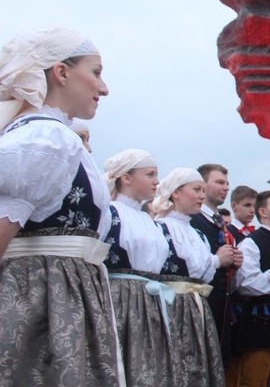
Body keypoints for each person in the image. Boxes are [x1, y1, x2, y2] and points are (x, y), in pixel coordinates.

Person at [0, 28, 123, 386]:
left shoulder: (58, 137)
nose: (104, 88)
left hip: (63, 294)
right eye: (96, 72)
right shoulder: (44, 138)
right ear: (62, 72)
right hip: (43, 300)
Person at [154, 167, 242, 385]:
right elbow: (190, 268)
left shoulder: (198, 233)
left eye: (203, 190)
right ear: (176, 193)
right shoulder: (161, 227)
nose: (202, 196)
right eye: (196, 189)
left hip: (198, 309)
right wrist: (216, 260)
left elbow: (204, 274)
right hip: (172, 308)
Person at [103, 148, 182, 386]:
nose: (157, 181)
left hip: (150, 300)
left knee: (151, 365)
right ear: (126, 177)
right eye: (150, 174)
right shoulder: (109, 212)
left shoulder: (150, 220)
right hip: (120, 300)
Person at [232, 189, 270, 387]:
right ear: (263, 212)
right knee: (254, 382)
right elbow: (246, 285)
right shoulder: (250, 243)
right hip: (261, 326)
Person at [191, 163, 238, 360]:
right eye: (219, 182)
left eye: (227, 183)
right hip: (200, 306)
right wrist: (218, 259)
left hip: (221, 306)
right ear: (203, 185)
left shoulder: (219, 222)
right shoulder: (193, 219)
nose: (226, 187)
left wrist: (235, 261)